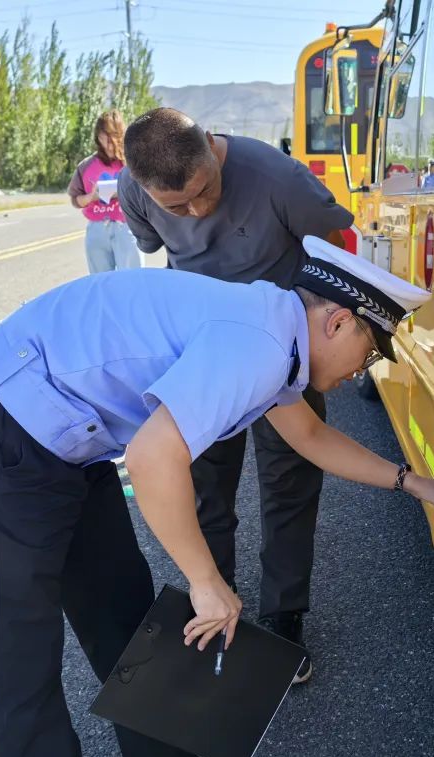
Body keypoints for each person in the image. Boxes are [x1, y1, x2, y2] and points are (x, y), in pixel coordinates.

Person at [0, 236, 434, 757]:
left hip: (69, 439)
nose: (359, 372)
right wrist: (207, 582)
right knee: (15, 660)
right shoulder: (260, 345)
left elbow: (311, 436)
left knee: (121, 613)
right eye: (368, 354)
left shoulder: (276, 332)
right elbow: (151, 459)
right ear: (338, 323)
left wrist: (412, 482)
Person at [117, 108, 353, 683]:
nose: (197, 212)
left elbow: (340, 241)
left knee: (289, 482)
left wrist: (321, 328)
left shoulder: (277, 177)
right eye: (178, 207)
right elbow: (152, 244)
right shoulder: (134, 185)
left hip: (281, 351)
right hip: (199, 355)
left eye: (205, 193)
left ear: (212, 151)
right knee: (202, 488)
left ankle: (284, 618)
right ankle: (217, 605)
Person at [67, 110, 142, 274]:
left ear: (122, 134)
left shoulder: (133, 163)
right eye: (105, 135)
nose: (109, 141)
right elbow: (74, 199)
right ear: (97, 136)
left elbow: (146, 193)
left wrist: (123, 193)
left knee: (132, 280)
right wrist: (91, 197)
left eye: (114, 134)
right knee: (100, 282)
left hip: (127, 227)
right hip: (97, 229)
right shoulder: (86, 166)